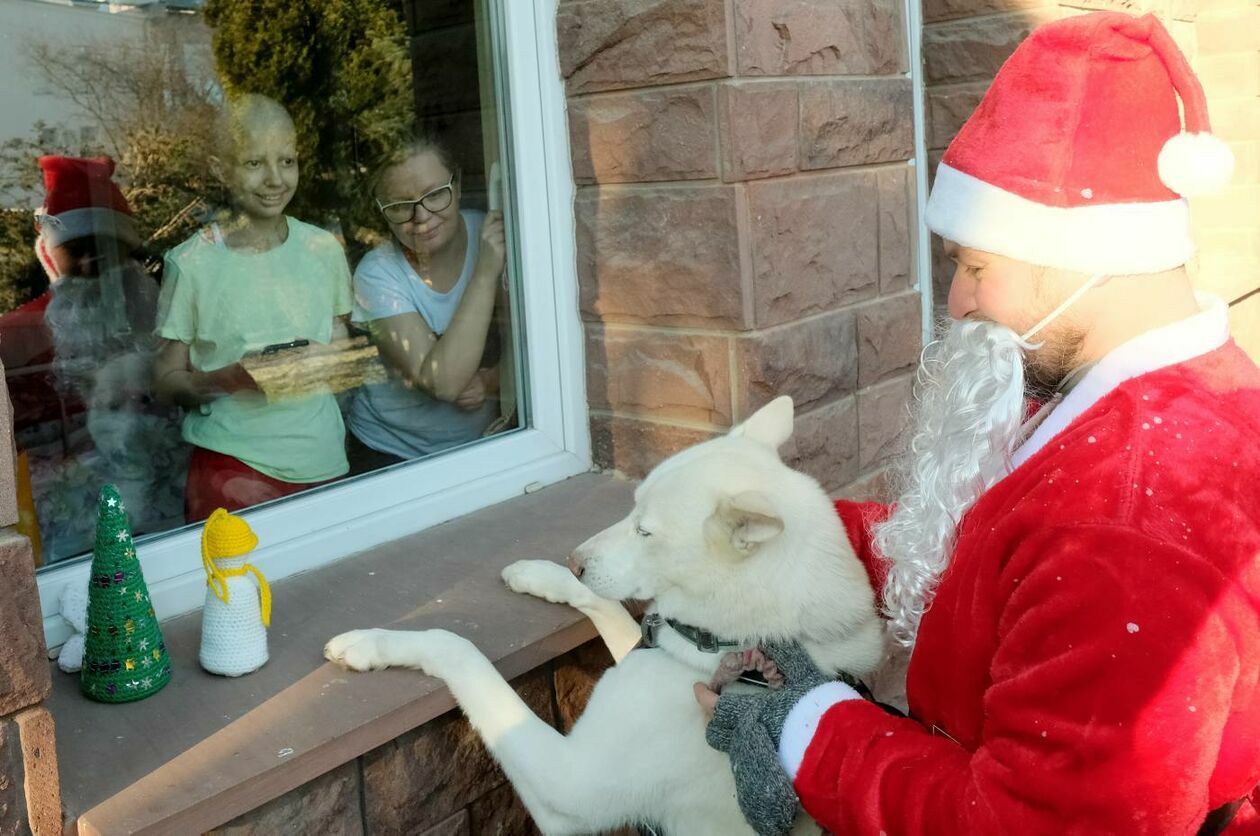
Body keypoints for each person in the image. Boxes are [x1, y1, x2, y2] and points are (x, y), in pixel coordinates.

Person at [695, 12, 1260, 835]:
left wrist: (810, 727)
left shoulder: (1126, 520)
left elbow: (1027, 825)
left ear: (1080, 256)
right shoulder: (1128, 402)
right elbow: (1003, 572)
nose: (958, 301)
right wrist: (808, 530)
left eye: (976, 265)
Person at [153, 94, 353, 522]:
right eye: (253, 163)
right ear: (220, 168)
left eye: (287, 161)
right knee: (234, 588)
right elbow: (165, 382)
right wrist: (227, 379)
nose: (275, 179)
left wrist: (326, 360)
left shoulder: (323, 248)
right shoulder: (190, 263)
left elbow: (341, 346)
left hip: (322, 457)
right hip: (229, 467)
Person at [0, 155, 185, 562]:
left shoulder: (171, 325)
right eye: (77, 249)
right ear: (49, 251)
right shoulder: (13, 340)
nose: (91, 264)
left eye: (108, 249)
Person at [346, 137, 506, 472]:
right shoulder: (377, 274)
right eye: (401, 206)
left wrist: (494, 381)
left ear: (457, 186)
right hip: (390, 452)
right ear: (382, 212)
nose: (422, 217)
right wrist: (485, 272)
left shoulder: (493, 233)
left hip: (487, 443)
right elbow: (442, 383)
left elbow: (538, 338)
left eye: (435, 194)